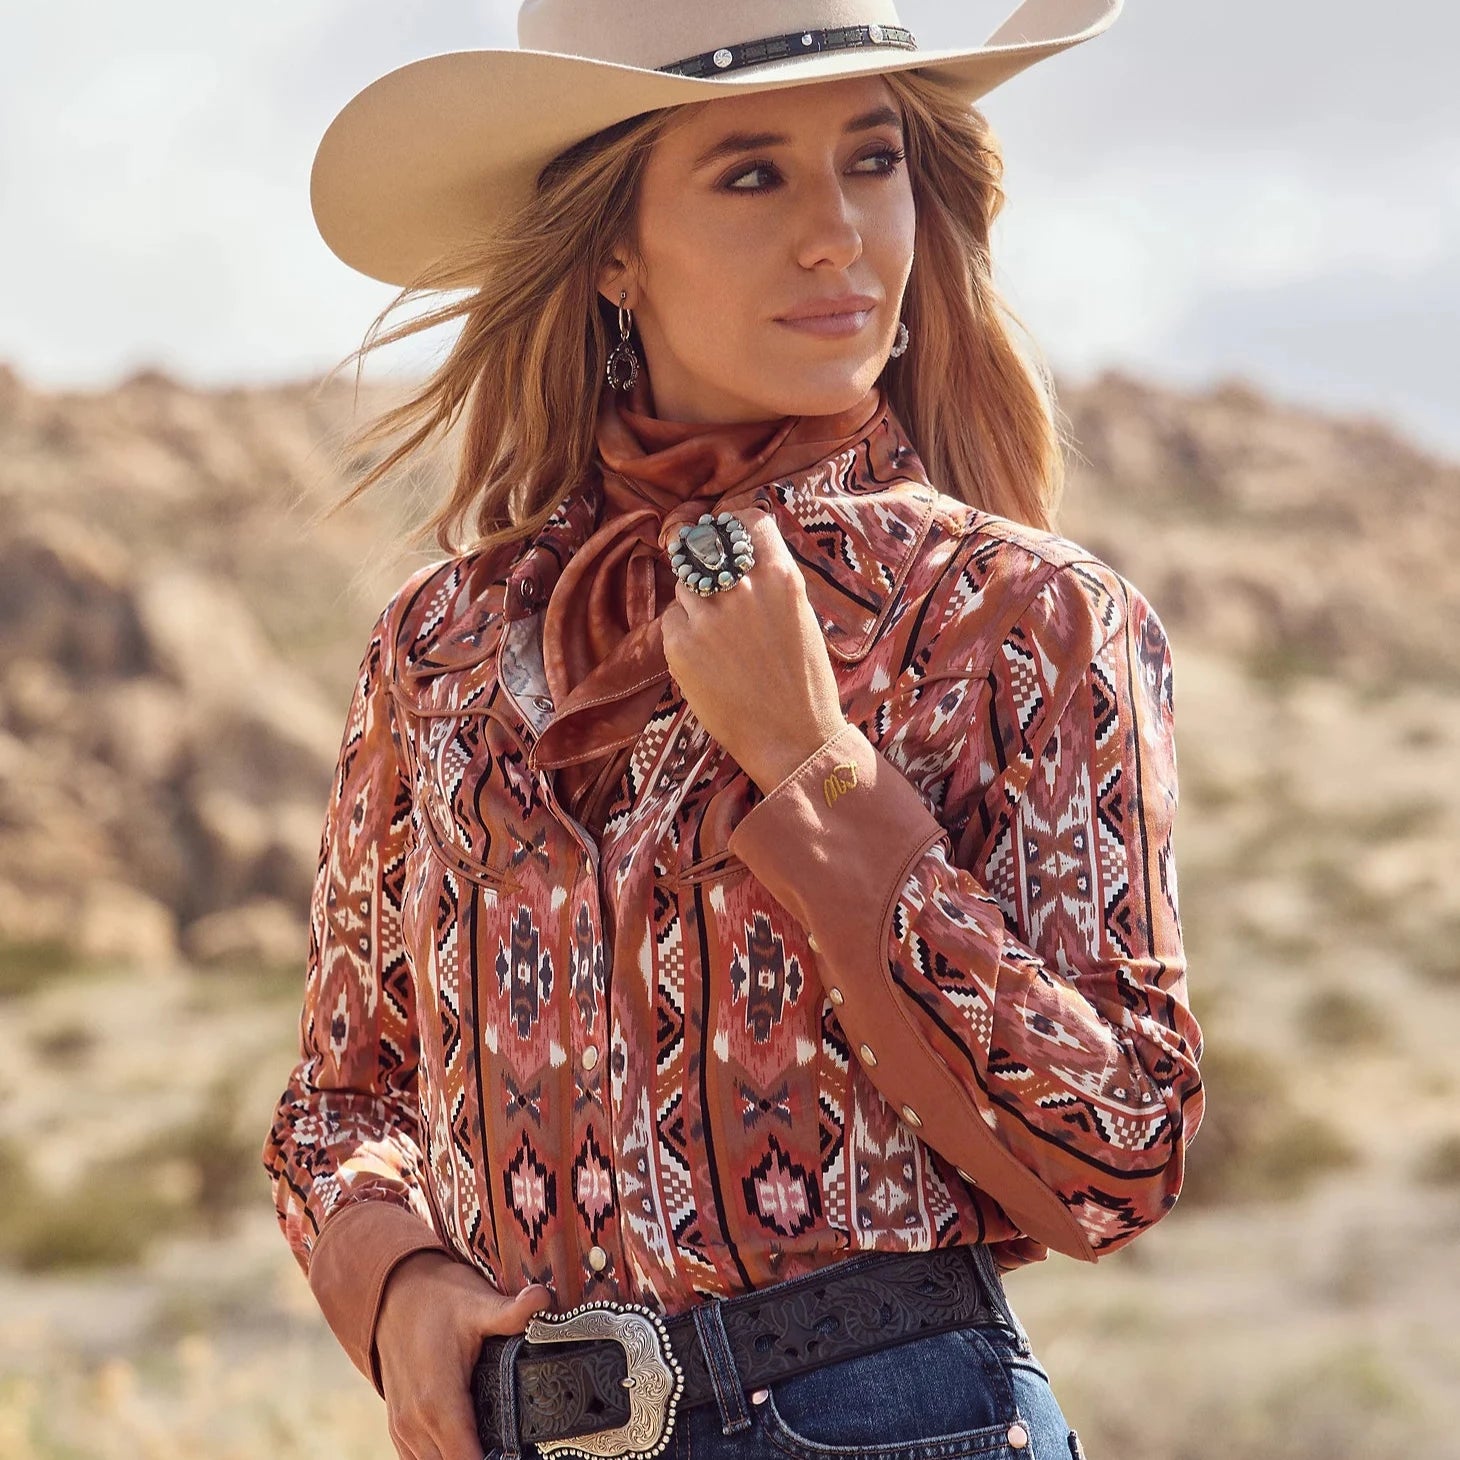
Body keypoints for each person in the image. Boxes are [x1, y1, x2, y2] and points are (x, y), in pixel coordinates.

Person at [261, 2, 1206, 1458]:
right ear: (613, 250)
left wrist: (814, 763)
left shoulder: (1026, 619)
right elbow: (339, 1102)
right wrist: (398, 1281)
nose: (836, 234)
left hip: (897, 1420)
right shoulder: (438, 649)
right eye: (753, 175)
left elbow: (1120, 1149)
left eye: (872, 161)